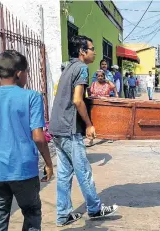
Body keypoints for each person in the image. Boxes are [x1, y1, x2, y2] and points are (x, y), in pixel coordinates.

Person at [0, 50, 54, 230]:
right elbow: (38, 137)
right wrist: (49, 163)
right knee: (32, 214)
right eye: (27, 71)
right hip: (24, 170)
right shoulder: (32, 97)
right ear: (19, 73)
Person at [49, 35, 118, 227]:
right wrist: (88, 124)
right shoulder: (82, 68)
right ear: (82, 51)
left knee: (64, 173)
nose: (95, 52)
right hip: (69, 128)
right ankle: (95, 209)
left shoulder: (68, 67)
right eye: (92, 48)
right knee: (83, 171)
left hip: (56, 127)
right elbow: (78, 100)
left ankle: (63, 215)